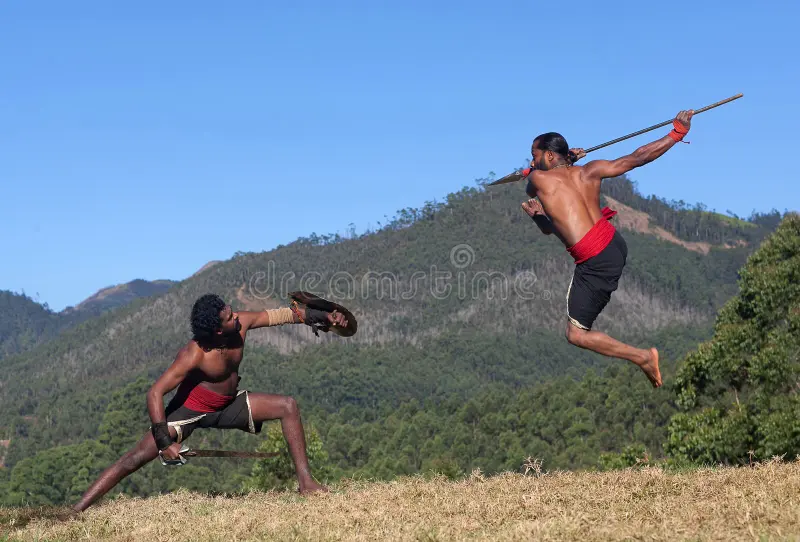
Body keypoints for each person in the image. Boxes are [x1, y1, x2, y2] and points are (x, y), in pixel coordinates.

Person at [73, 293, 348, 512]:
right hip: (189, 410)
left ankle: (306, 483)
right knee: (133, 458)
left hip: (229, 404)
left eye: (230, 310)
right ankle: (76, 510)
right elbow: (154, 393)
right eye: (228, 317)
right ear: (216, 331)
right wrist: (164, 443)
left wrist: (322, 315)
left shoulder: (240, 323)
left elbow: (281, 315)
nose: (235, 316)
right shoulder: (193, 355)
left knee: (288, 406)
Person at [520, 109, 695, 388]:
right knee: (577, 329)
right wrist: (676, 133)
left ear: (550, 156)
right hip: (613, 245)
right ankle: (642, 358)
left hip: (595, 259)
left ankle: (643, 357)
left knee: (576, 335)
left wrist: (530, 170)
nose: (532, 160)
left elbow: (530, 184)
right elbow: (635, 159)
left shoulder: (539, 180)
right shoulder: (590, 171)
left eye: (535, 154)